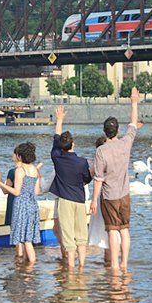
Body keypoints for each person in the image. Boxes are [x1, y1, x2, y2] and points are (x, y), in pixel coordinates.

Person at [91, 86, 141, 273]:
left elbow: (98, 178)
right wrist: (134, 102)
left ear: (105, 133)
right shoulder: (126, 143)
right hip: (125, 194)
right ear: (118, 130)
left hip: (109, 196)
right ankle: (124, 264)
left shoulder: (101, 151)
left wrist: (94, 200)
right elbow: (134, 124)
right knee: (125, 229)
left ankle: (113, 265)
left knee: (112, 230)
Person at [49, 105, 93, 270]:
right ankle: (82, 266)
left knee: (68, 237)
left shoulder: (56, 157)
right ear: (73, 144)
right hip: (80, 201)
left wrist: (59, 120)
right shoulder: (82, 162)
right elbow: (87, 179)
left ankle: (71, 269)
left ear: (61, 146)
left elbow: (56, 137)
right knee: (81, 236)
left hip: (65, 202)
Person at [0, 142, 41, 264]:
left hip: (21, 205)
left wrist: (1, 184)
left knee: (25, 240)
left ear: (19, 156)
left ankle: (31, 267)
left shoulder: (20, 170)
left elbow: (17, 191)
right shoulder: (34, 169)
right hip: (32, 204)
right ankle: (26, 265)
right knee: (27, 237)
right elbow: (37, 191)